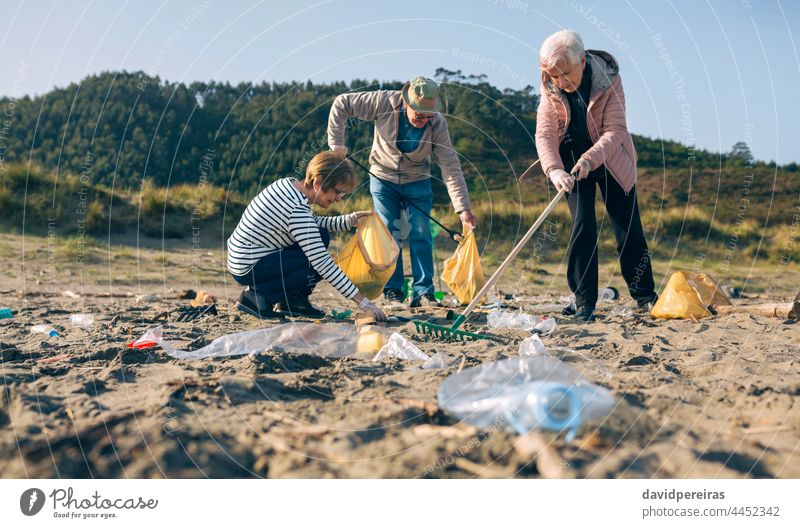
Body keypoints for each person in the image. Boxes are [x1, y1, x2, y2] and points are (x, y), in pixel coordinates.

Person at [534, 30, 658, 321]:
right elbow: (545, 133)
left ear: (583, 60)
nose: (560, 82)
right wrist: (554, 170)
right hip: (571, 165)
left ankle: (644, 296)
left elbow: (615, 131)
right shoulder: (549, 86)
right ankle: (584, 303)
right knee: (582, 225)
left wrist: (590, 159)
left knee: (628, 229)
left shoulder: (609, 78)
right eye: (554, 76)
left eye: (566, 74)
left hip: (611, 158)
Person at [327, 76, 477, 307]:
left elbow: (450, 165)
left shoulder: (437, 123)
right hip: (382, 177)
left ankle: (424, 292)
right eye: (419, 115)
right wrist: (337, 145)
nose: (424, 120)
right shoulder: (383, 102)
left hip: (417, 180)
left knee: (420, 231)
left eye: (428, 115)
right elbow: (341, 103)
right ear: (406, 103)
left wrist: (463, 208)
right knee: (389, 232)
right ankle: (393, 291)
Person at [227, 151, 386, 322]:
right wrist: (362, 302)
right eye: (337, 192)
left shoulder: (288, 185)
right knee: (314, 266)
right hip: (249, 265)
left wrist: (350, 220)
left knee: (321, 235)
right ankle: (256, 297)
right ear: (318, 182)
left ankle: (292, 301)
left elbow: (310, 223)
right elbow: (322, 263)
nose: (338, 199)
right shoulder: (296, 209)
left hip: (243, 257)